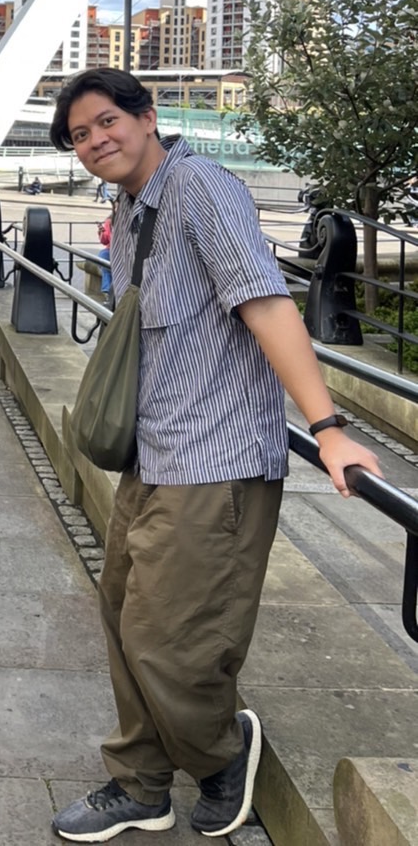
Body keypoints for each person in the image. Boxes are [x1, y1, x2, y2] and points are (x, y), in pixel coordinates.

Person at [47, 68, 381, 843]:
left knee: (173, 640)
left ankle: (224, 753)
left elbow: (265, 303)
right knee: (122, 614)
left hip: (215, 459)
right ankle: (141, 784)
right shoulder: (132, 206)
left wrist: (327, 426)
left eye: (105, 123)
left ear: (147, 115)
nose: (96, 142)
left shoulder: (201, 188)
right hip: (156, 450)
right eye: (79, 137)